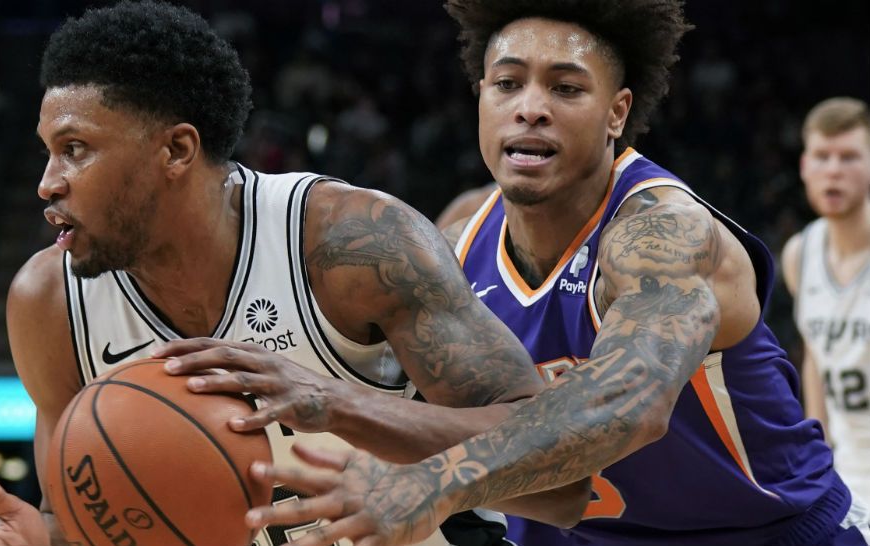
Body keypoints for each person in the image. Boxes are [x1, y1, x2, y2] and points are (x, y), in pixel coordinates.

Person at [241, 1, 870, 545]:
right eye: (507, 84)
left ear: (617, 113)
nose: (531, 108)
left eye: (566, 88)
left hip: (768, 534)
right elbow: (429, 418)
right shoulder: (455, 247)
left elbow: (630, 406)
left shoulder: (664, 236)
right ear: (481, 98)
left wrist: (431, 482)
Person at [0, 2, 589, 545]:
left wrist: (340, 405)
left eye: (75, 149)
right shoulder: (48, 300)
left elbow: (563, 482)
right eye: (48, 152)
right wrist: (43, 539)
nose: (47, 183)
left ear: (177, 150)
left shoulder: (351, 243)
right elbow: (85, 519)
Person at [782, 97, 870, 504]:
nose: (833, 170)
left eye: (849, 157)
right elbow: (814, 358)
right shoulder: (800, 254)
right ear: (804, 166)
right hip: (846, 475)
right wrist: (817, 459)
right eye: (822, 156)